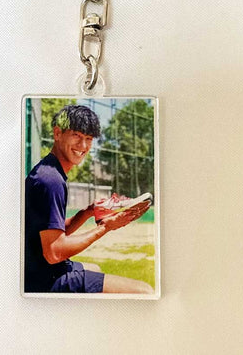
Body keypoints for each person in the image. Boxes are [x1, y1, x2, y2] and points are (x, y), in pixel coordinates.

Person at [24, 104, 153, 294]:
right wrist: (105, 227)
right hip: (43, 280)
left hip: (38, 272)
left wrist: (89, 211)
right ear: (57, 133)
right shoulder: (50, 180)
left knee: (95, 268)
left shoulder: (48, 171)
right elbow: (54, 252)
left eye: (88, 138)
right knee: (144, 291)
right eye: (76, 135)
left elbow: (52, 232)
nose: (83, 146)